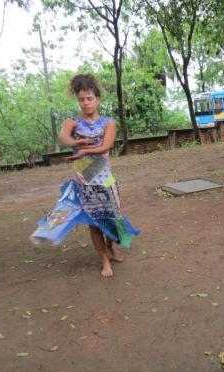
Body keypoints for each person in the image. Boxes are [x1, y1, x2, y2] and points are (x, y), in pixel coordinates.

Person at [31, 74, 140, 277]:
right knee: (94, 223)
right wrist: (75, 144)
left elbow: (106, 146)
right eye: (81, 99)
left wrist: (84, 152)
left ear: (97, 99)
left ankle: (110, 247)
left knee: (112, 219)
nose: (85, 103)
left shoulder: (109, 122)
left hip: (107, 181)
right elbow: (63, 136)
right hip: (85, 184)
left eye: (89, 98)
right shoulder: (72, 122)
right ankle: (104, 261)